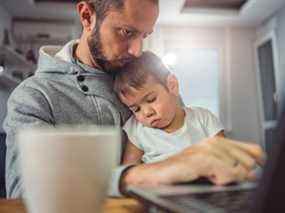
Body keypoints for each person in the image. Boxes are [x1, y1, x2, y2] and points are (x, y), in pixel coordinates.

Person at [3, 0, 264, 199]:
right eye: (127, 32)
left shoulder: (151, 77)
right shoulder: (34, 97)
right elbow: (24, 196)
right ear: (87, 16)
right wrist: (140, 176)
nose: (137, 50)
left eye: (145, 36)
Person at [114, 51, 226, 166]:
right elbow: (128, 171)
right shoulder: (137, 129)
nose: (147, 113)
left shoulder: (203, 119)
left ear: (172, 85)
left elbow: (226, 158)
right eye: (136, 109)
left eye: (151, 99)